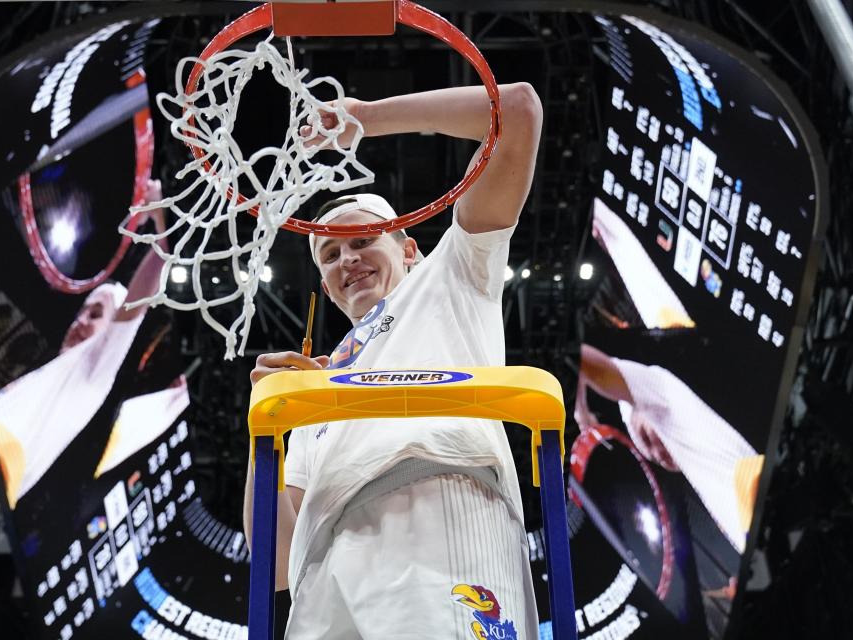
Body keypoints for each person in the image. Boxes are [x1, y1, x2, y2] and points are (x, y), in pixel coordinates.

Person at [245, 84, 543, 639]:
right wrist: (268, 430)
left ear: (408, 248)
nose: (347, 260)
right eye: (330, 255)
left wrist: (364, 117)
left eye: (361, 241)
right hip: (323, 570)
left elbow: (518, 111)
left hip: (438, 509)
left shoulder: (452, 273)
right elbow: (275, 557)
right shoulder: (317, 383)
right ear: (327, 287)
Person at [0, 180, 171, 508]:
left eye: (96, 315)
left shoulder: (94, 371)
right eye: (82, 313)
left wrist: (158, 214)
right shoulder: (50, 374)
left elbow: (150, 279)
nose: (82, 322)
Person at [575, 343, 763, 552]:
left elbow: (584, 359)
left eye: (647, 437)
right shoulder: (704, 476)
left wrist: (581, 414)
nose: (657, 454)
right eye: (653, 458)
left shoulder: (662, 392)